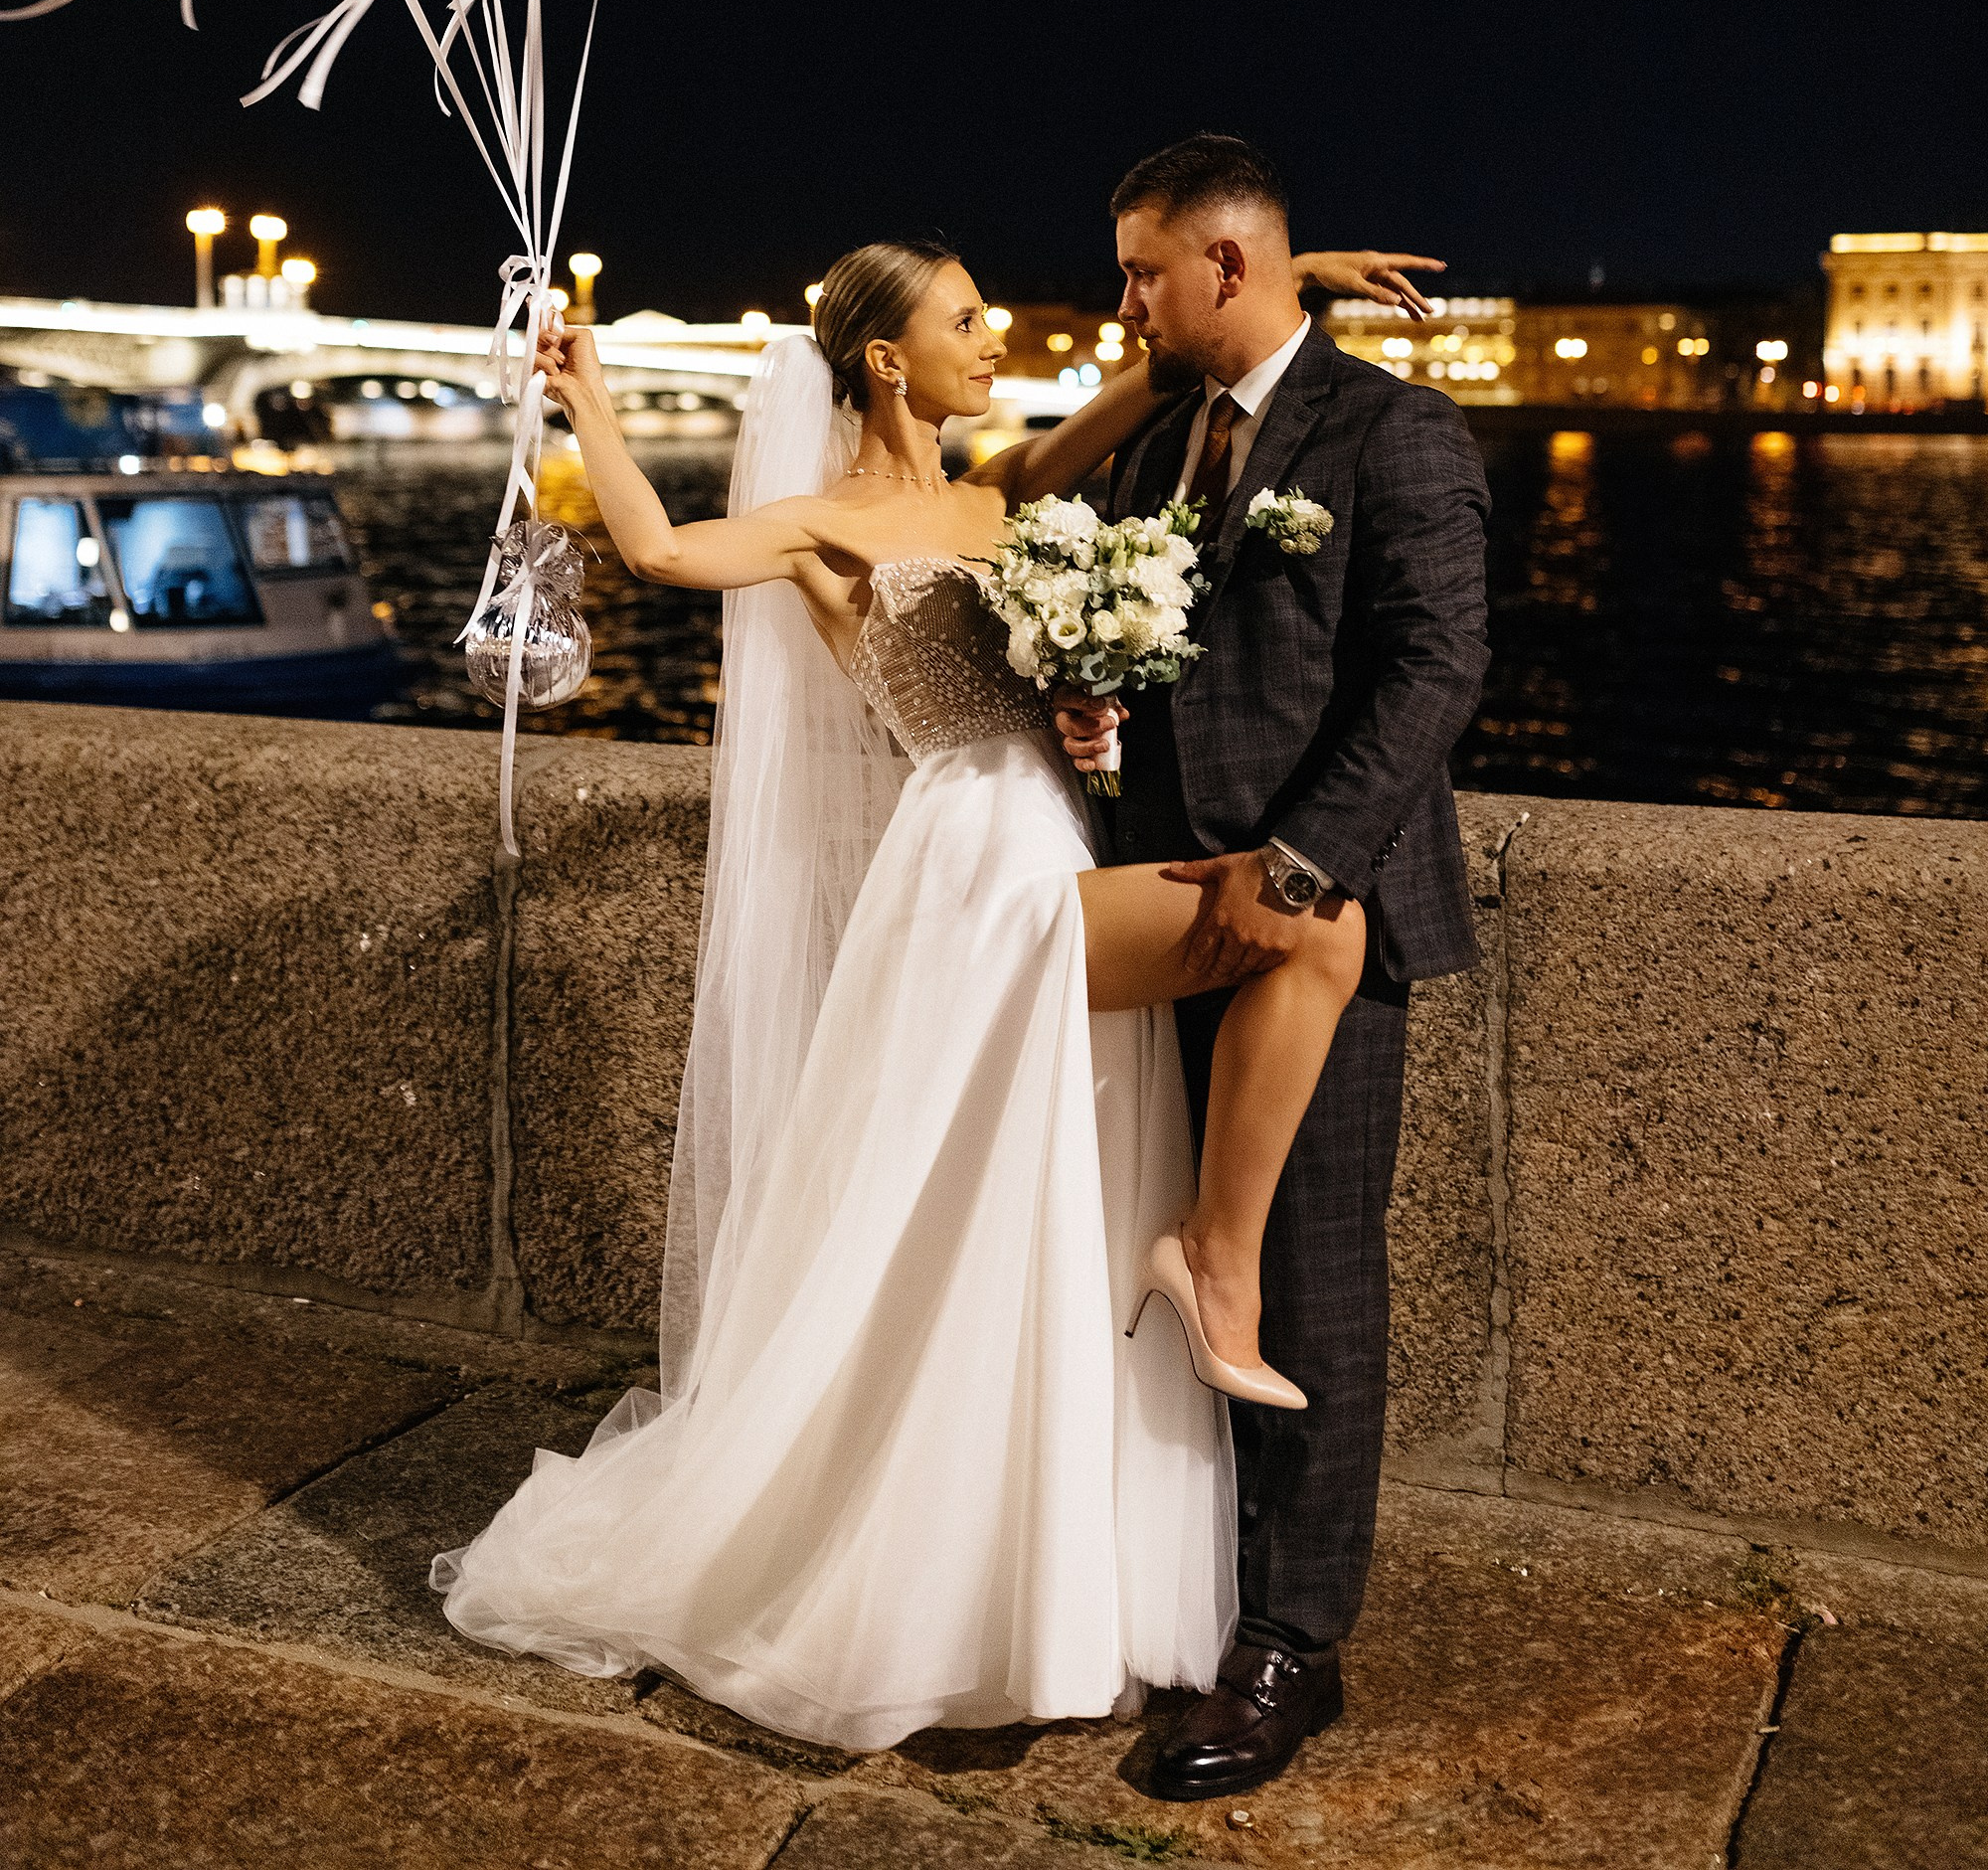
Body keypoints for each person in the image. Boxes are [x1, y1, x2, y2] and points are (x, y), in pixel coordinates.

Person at [429, 215, 1443, 1758]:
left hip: (1057, 832)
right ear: (890, 357)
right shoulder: (815, 521)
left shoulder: (1004, 494)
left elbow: (1152, 371)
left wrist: (1298, 282)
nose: (997, 341)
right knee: (1314, 931)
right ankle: (1209, 1261)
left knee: (1042, 1208)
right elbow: (651, 552)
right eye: (968, 321)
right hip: (972, 870)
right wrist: (589, 396)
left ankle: (1041, 1551)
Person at [1056, 133, 1491, 1802]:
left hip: (1313, 919)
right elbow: (1112, 629)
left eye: (1144, 273)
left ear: (1224, 266)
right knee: (1168, 1266)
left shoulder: (1396, 431)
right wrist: (1085, 705)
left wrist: (1299, 867)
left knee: (1308, 1286)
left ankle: (1294, 1647)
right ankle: (1190, 1593)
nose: (1126, 302)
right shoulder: (1157, 438)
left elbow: (1434, 667)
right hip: (1158, 901)